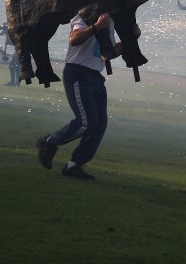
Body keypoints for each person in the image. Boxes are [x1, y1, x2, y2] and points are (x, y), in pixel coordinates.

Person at [35, 12, 139, 180]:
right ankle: (49, 142)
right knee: (86, 122)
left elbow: (108, 54)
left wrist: (132, 38)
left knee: (99, 125)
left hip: (96, 77)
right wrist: (96, 27)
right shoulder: (86, 15)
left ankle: (74, 165)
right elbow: (74, 38)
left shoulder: (110, 22)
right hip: (78, 73)